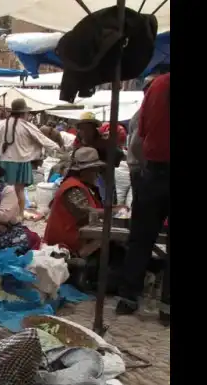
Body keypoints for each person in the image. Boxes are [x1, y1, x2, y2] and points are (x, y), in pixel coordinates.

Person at [117, 72, 170, 325]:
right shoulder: (158, 85)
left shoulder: (157, 85)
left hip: (155, 172)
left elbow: (141, 131)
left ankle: (128, 298)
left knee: (140, 239)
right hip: (156, 169)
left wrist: (139, 170)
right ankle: (167, 308)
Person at [44, 147, 124, 291]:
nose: (97, 173)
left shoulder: (84, 186)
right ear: (84, 171)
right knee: (109, 238)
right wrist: (112, 211)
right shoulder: (72, 188)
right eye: (94, 170)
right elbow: (86, 212)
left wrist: (114, 208)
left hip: (78, 233)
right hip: (66, 240)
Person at [0, 98, 60, 205]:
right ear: (24, 113)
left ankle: (6, 214)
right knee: (19, 191)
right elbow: (43, 139)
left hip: (3, 163)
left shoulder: (0, 125)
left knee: (4, 191)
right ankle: (19, 216)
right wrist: (57, 147)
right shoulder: (27, 126)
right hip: (22, 162)